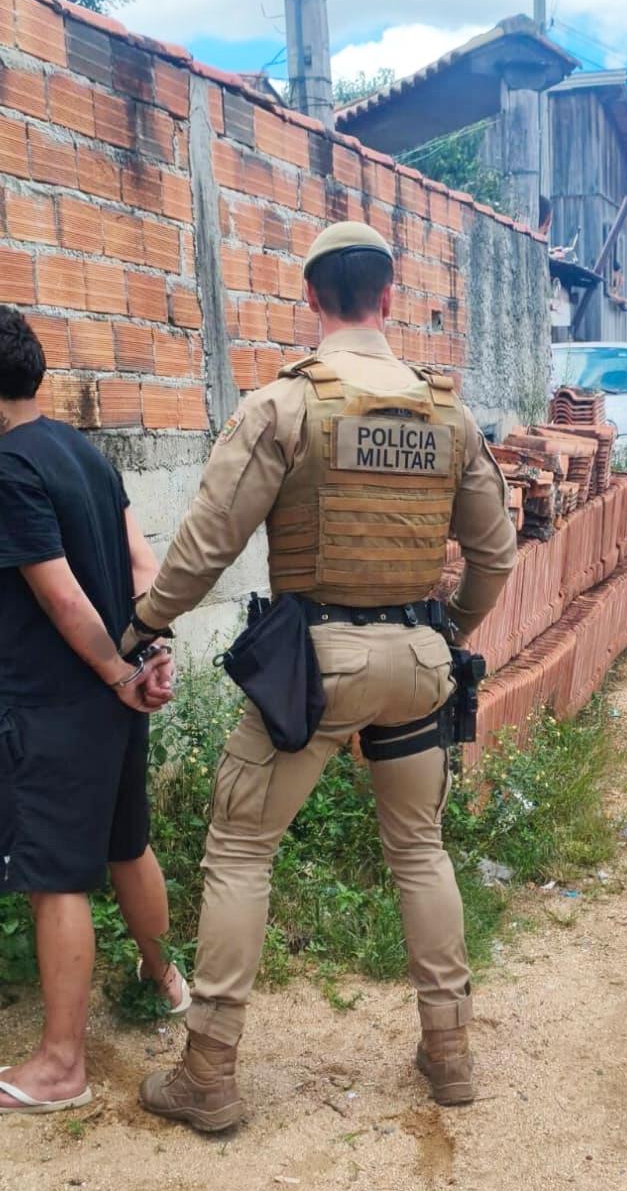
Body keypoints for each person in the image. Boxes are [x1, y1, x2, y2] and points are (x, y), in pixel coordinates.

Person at [131, 222, 519, 1132]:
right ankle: (449, 1050)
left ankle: (210, 1074)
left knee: (240, 846)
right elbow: (494, 556)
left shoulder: (284, 407)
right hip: (418, 667)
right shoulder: (448, 415)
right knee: (419, 849)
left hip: (313, 672)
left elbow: (205, 545)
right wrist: (443, 635)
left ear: (312, 299)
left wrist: (143, 626)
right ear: (388, 297)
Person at [0, 307, 183, 1117]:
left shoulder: (8, 470)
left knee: (52, 876)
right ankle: (165, 980)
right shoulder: (85, 453)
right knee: (124, 841)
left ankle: (61, 1065)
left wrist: (115, 672)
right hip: (113, 699)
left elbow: (61, 595)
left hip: (55, 701)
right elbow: (144, 562)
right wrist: (152, 654)